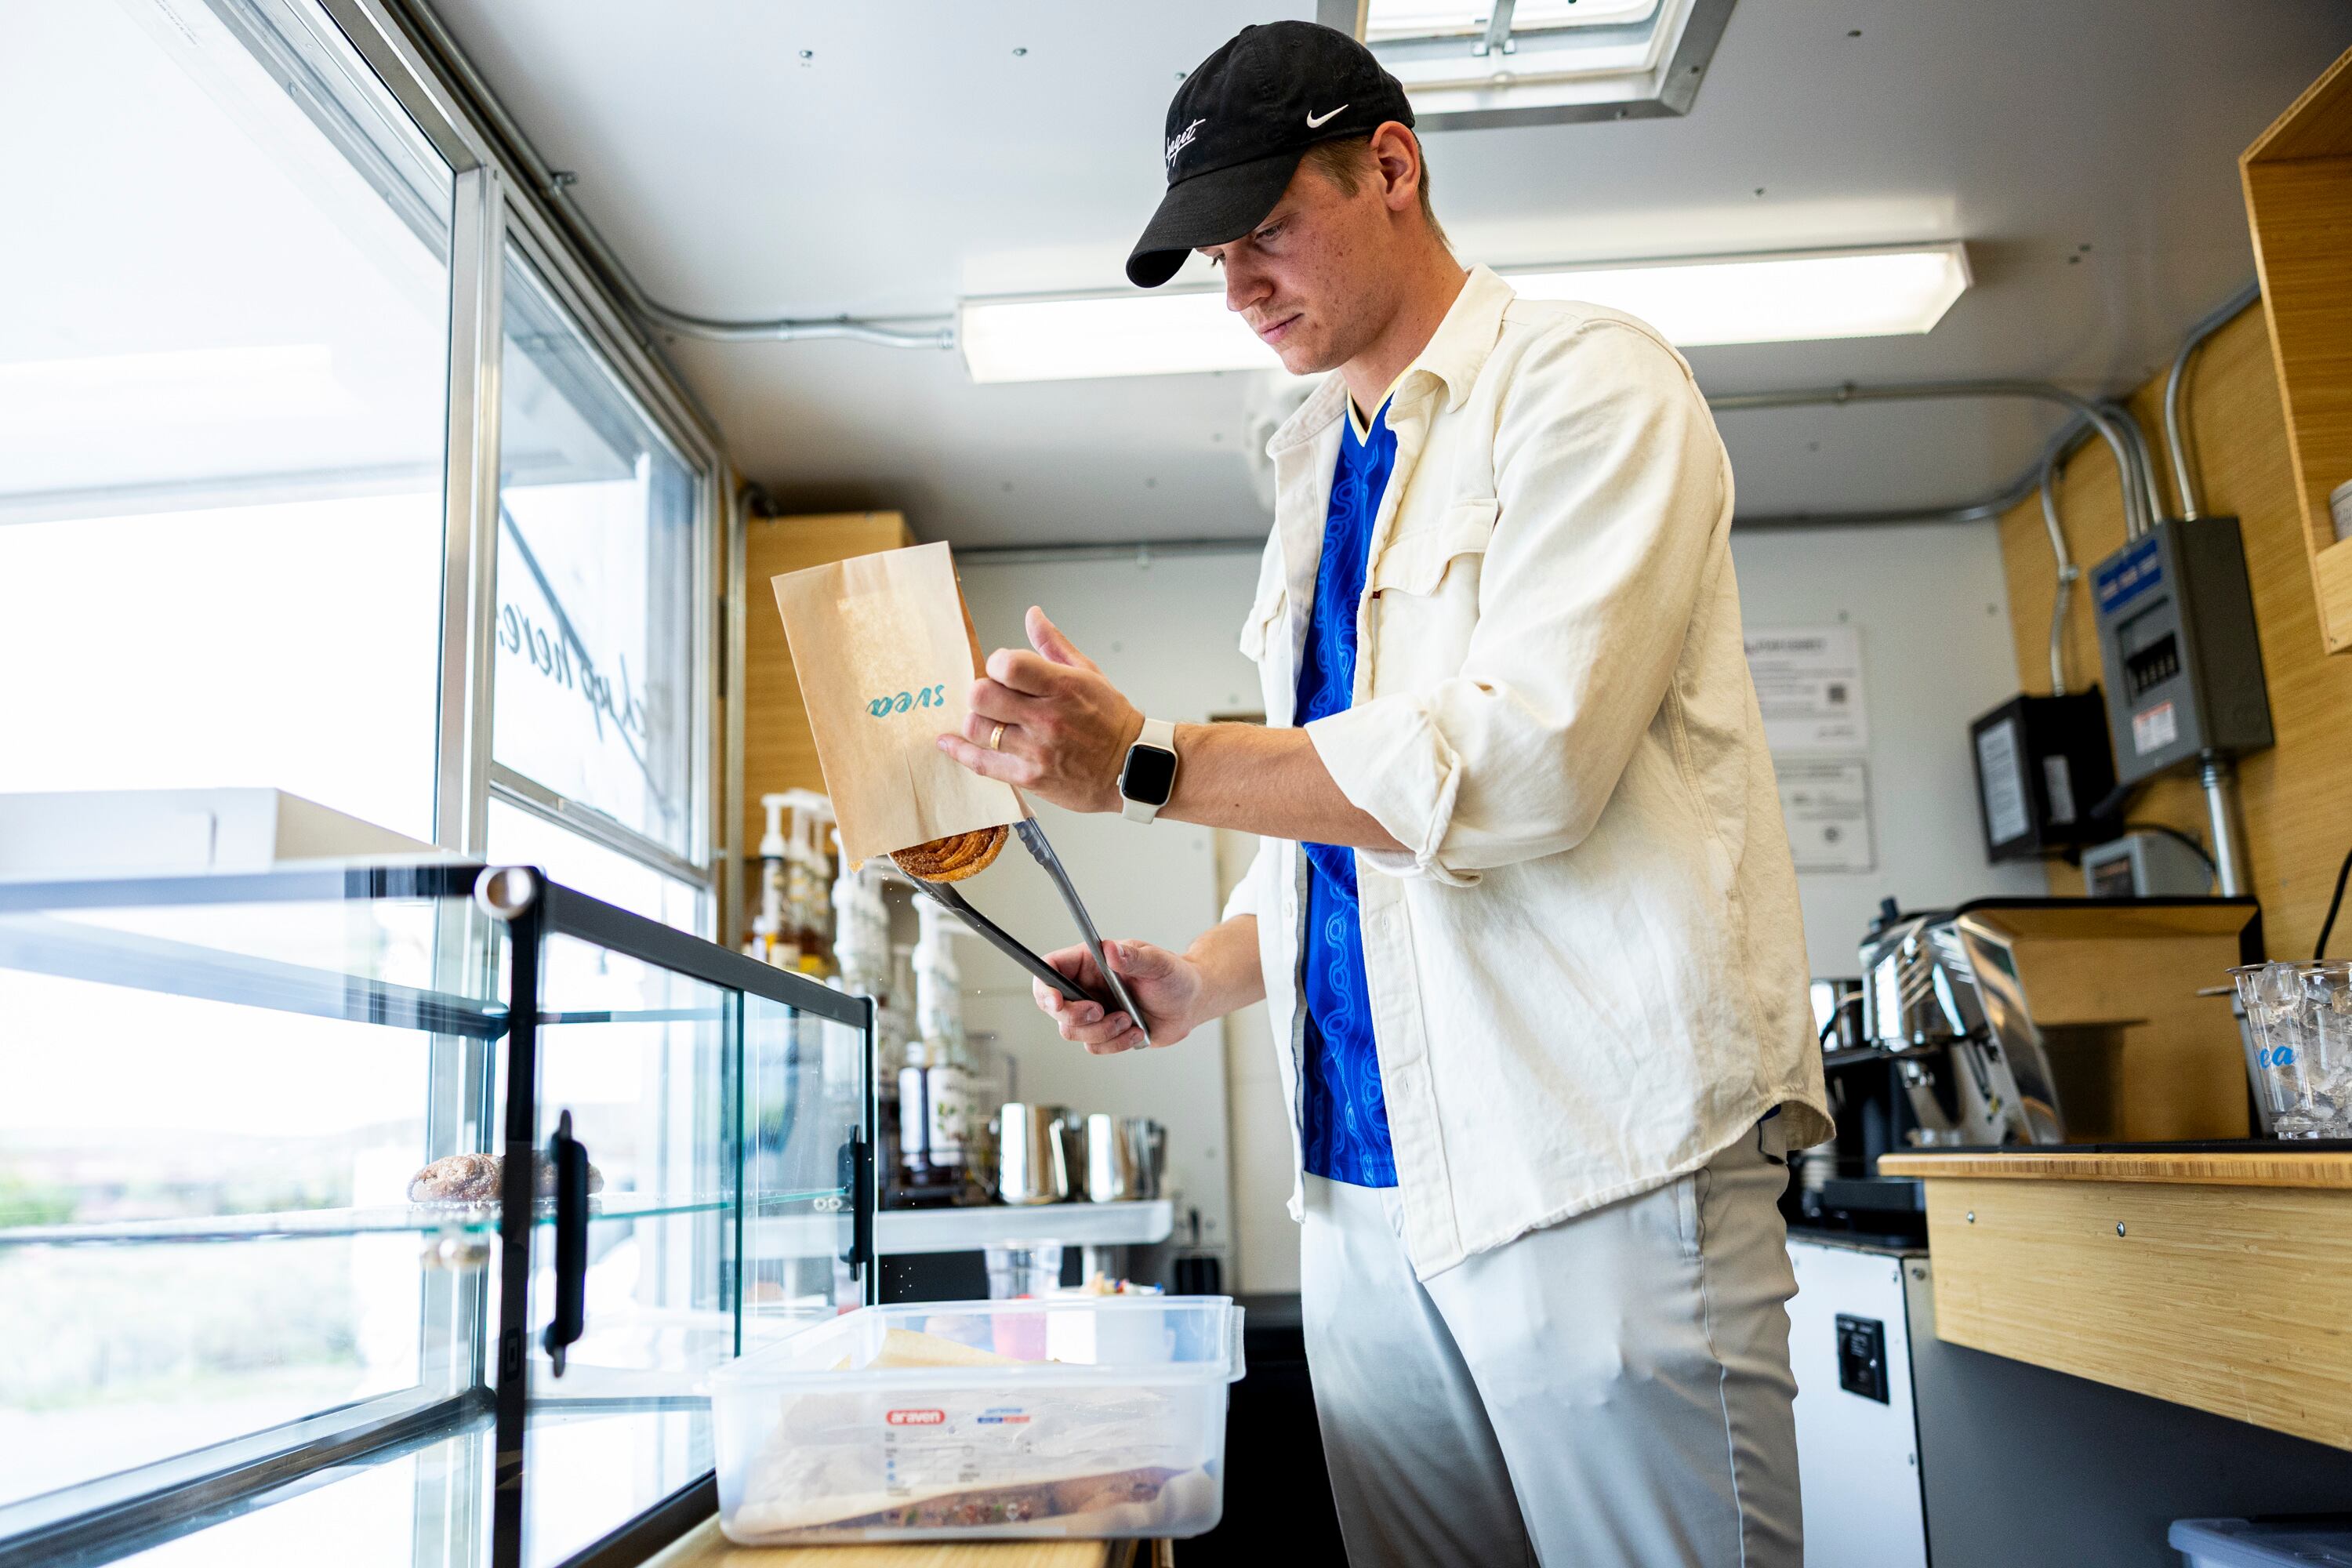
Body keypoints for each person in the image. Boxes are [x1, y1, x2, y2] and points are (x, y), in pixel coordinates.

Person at [936, 20, 1831, 1568]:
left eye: (1266, 229)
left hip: (1590, 1170)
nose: (1240, 288)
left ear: (1393, 170)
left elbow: (1526, 760)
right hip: (1361, 1197)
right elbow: (1342, 829)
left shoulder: (1587, 385)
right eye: (1214, 255)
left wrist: (1148, 761)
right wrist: (1204, 974)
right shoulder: (1312, 466)